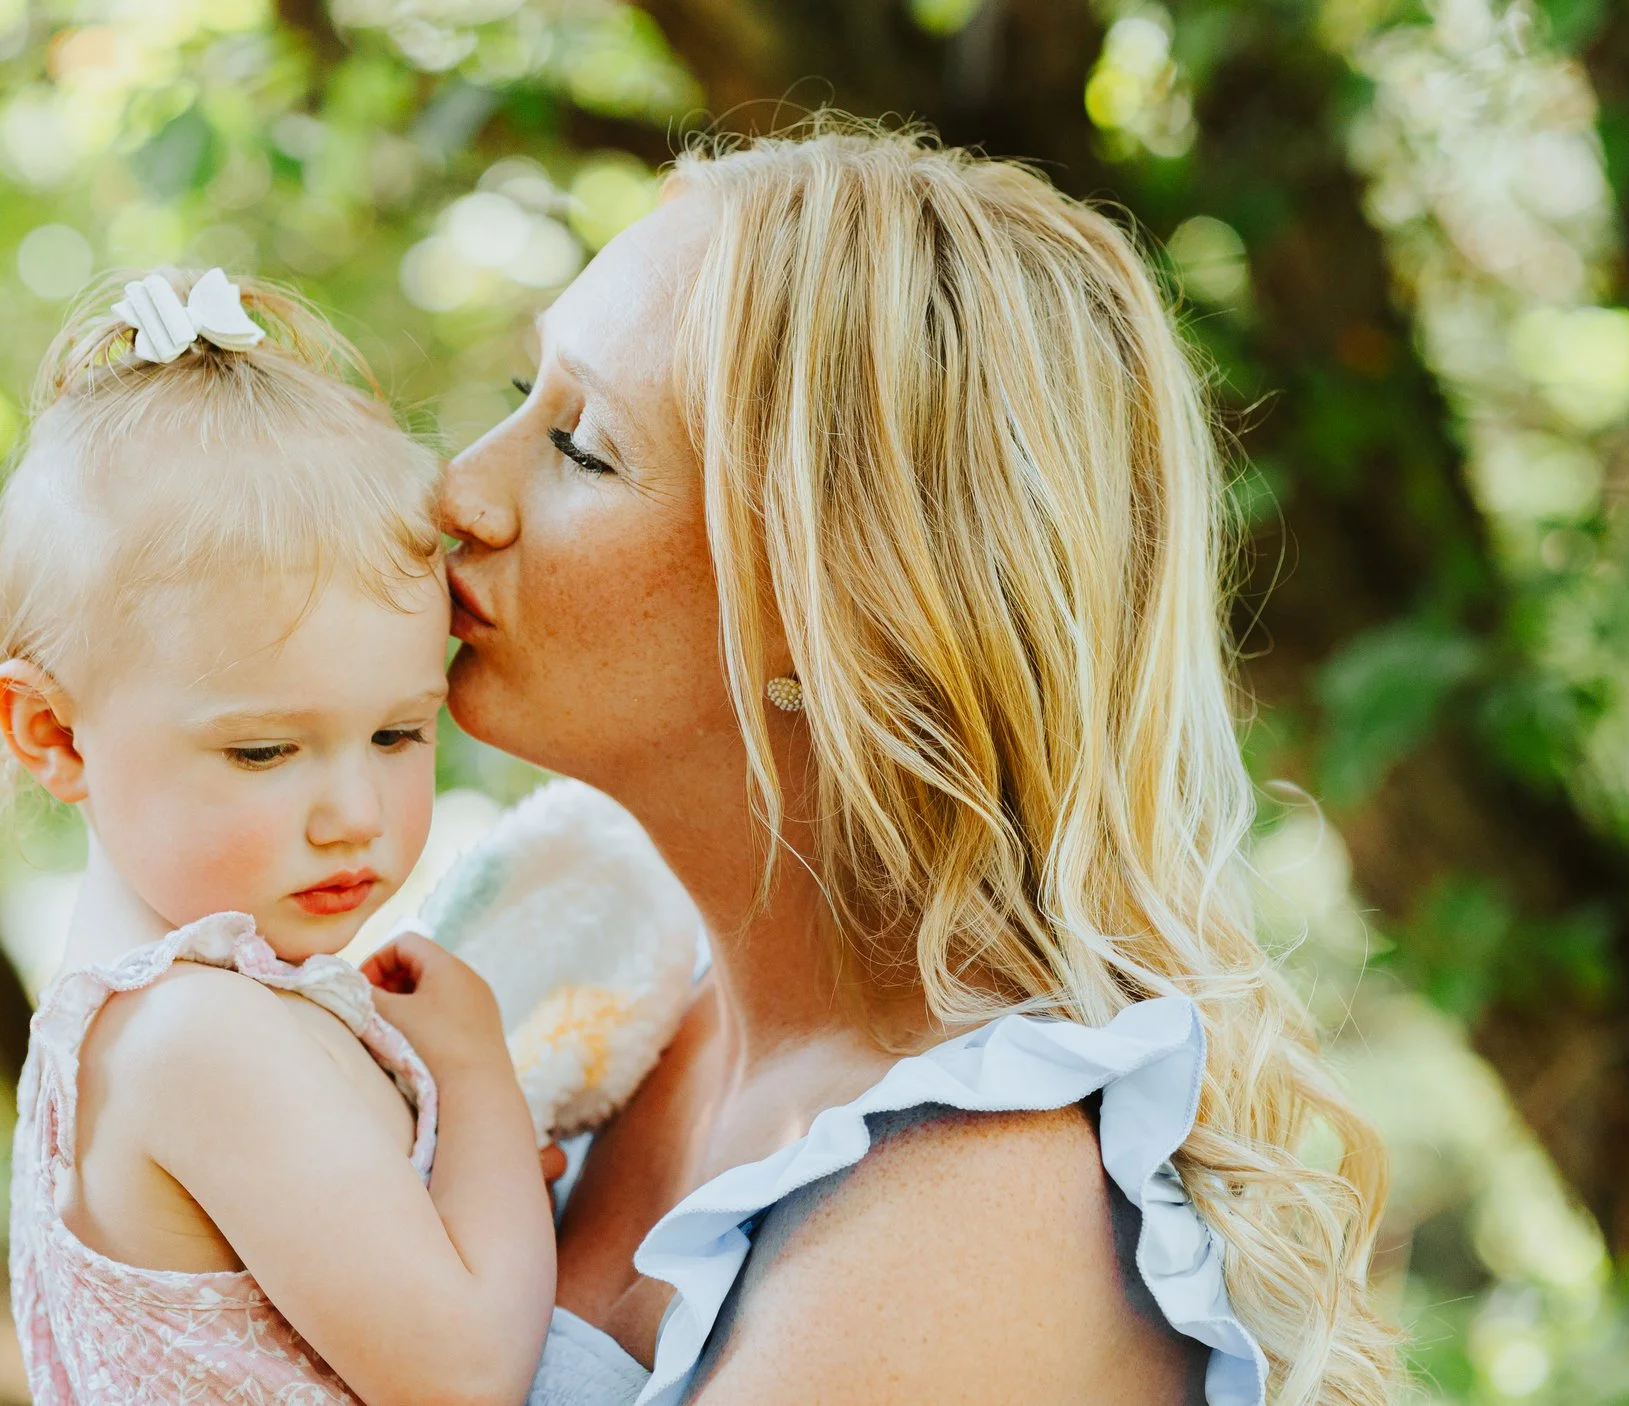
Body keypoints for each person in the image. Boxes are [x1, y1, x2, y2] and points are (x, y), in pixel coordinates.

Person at [437, 122, 1406, 1404]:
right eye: (525, 395)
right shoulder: (599, 977)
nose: (458, 492)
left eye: (582, 446)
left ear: (836, 603)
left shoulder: (971, 1217)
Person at [0, 267, 553, 1406]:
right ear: (53, 732)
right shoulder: (201, 1037)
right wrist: (478, 1078)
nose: (355, 814)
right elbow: (471, 1374)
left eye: (397, 733)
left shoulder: (187, 1017)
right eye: (263, 752)